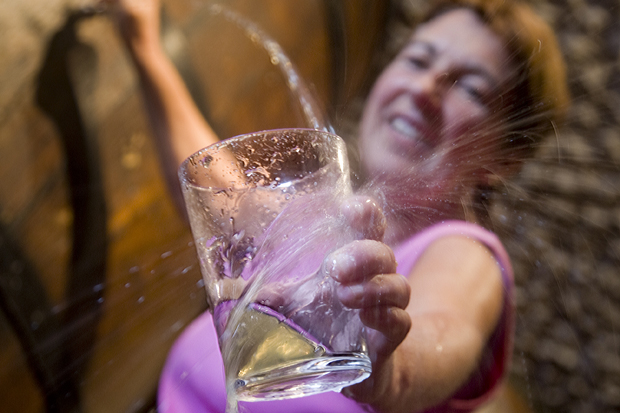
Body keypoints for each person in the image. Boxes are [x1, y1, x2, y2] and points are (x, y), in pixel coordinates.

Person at [103, 0, 569, 412]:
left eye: (470, 88)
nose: (425, 88)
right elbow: (219, 192)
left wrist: (387, 367)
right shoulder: (329, 221)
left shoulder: (467, 256)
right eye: (418, 58)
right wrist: (144, 43)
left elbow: (437, 336)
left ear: (506, 159)